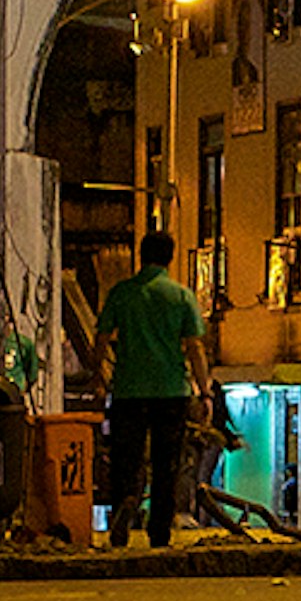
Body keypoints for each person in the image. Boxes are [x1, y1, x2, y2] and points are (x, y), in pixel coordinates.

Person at [98, 235, 213, 550]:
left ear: (140, 256)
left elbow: (102, 336)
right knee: (167, 462)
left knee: (126, 457)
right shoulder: (181, 296)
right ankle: (159, 531)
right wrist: (205, 392)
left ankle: (127, 500)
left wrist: (99, 375)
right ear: (171, 258)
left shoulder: (121, 293)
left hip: (128, 390)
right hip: (170, 390)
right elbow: (194, 346)